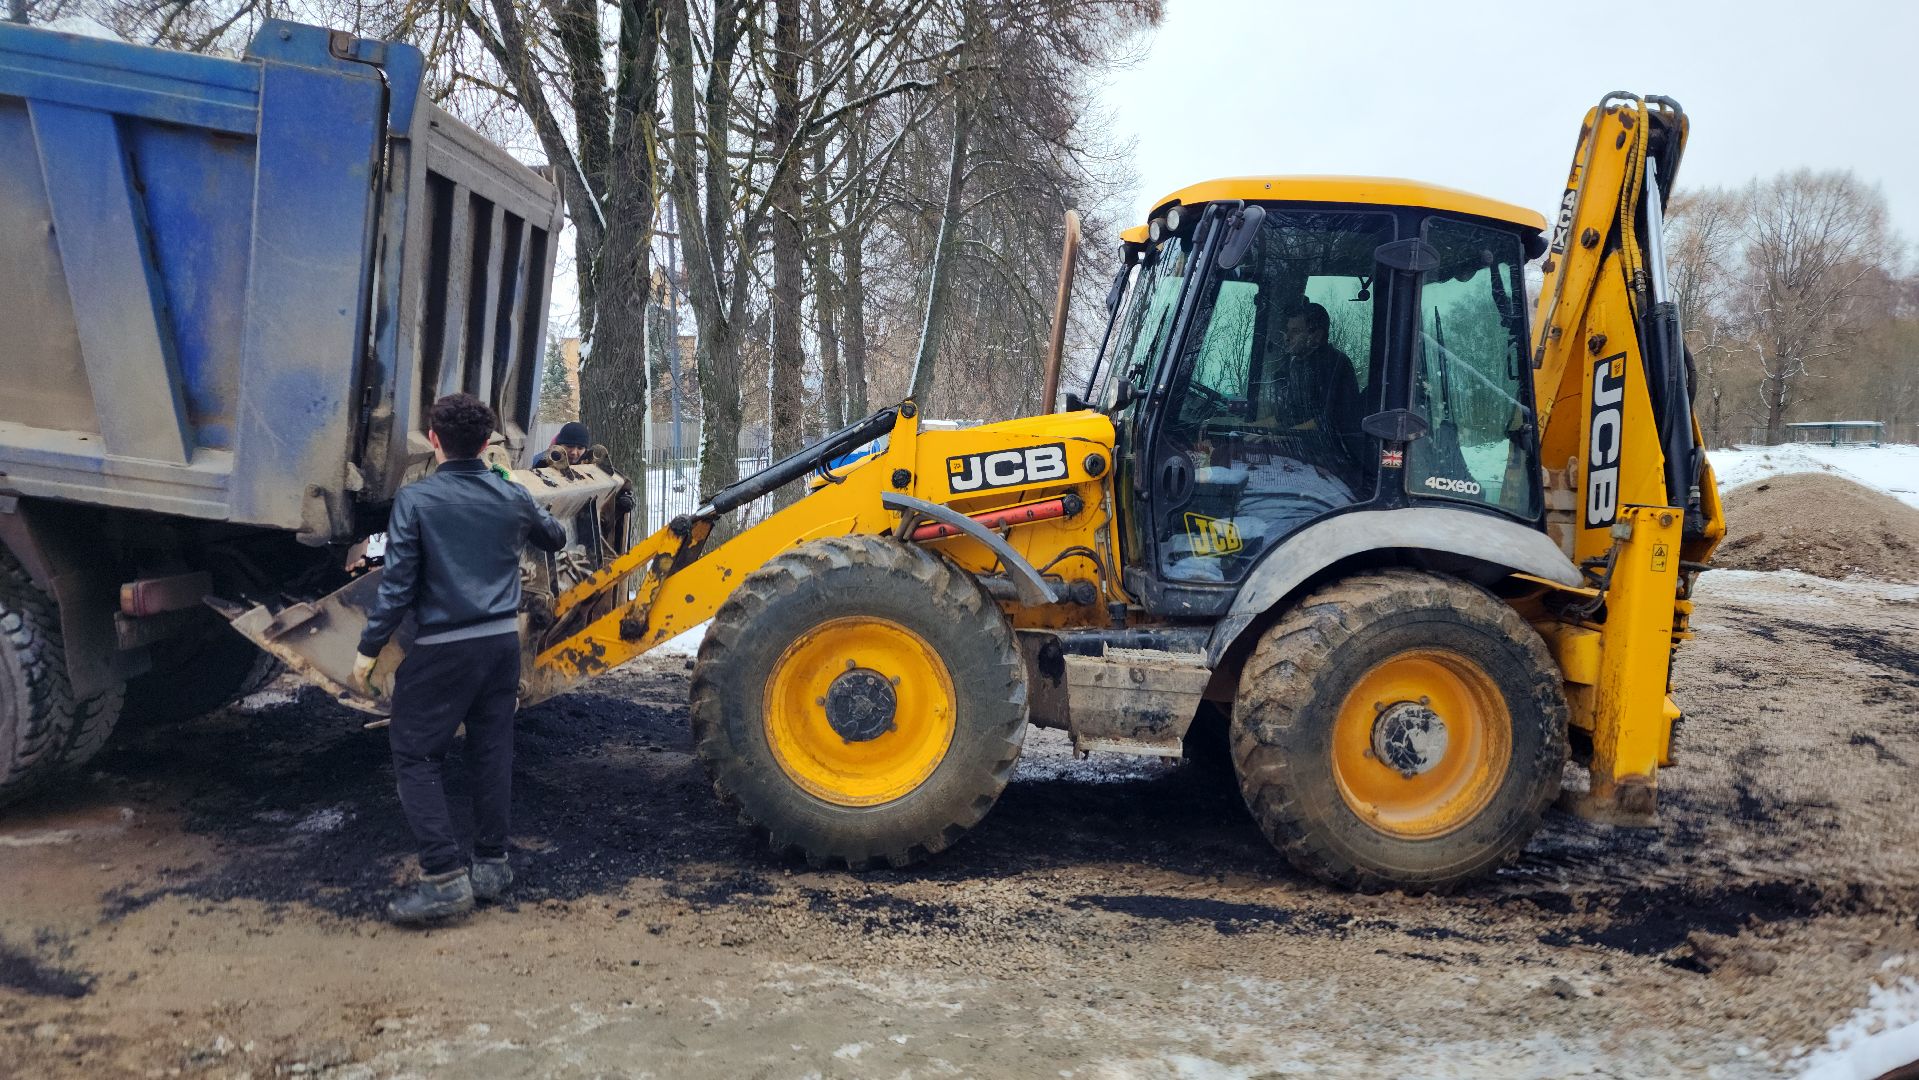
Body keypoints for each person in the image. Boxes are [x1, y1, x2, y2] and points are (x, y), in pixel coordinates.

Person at [353, 393, 567, 924]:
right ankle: (491, 867)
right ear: (488, 442)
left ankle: (444, 877)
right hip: (499, 647)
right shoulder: (507, 493)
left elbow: (398, 588)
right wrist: (511, 487)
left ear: (433, 439)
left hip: (444, 647)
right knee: (492, 750)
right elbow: (555, 537)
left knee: (416, 753)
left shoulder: (417, 500)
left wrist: (368, 650)